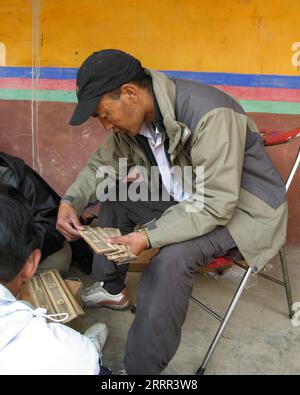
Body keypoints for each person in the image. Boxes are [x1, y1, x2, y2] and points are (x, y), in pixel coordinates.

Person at [56, 49, 287, 374]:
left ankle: (140, 373)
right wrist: (71, 201)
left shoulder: (210, 113)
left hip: (243, 209)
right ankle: (111, 288)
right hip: (189, 193)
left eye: (104, 114)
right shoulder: (138, 120)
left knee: (170, 259)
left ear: (130, 94)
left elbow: (216, 203)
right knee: (115, 191)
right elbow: (100, 165)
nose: (106, 125)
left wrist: (149, 236)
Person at [0, 185, 109, 375]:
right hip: (74, 359)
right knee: (96, 367)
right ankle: (97, 356)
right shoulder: (69, 352)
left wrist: (69, 203)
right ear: (31, 264)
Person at [0, 151, 94, 275]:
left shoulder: (14, 178)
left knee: (59, 261)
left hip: (21, 247)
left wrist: (17, 251)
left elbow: (48, 222)